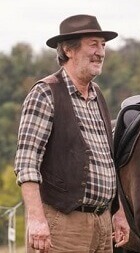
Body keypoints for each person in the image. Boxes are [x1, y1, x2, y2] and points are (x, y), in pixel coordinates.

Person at [13, 14, 130, 252]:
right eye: (93, 44)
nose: (101, 52)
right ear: (68, 49)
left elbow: (107, 161)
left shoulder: (97, 95)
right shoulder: (45, 93)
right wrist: (36, 220)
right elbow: (26, 163)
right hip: (62, 224)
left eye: (103, 45)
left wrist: (118, 212)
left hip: (102, 223)